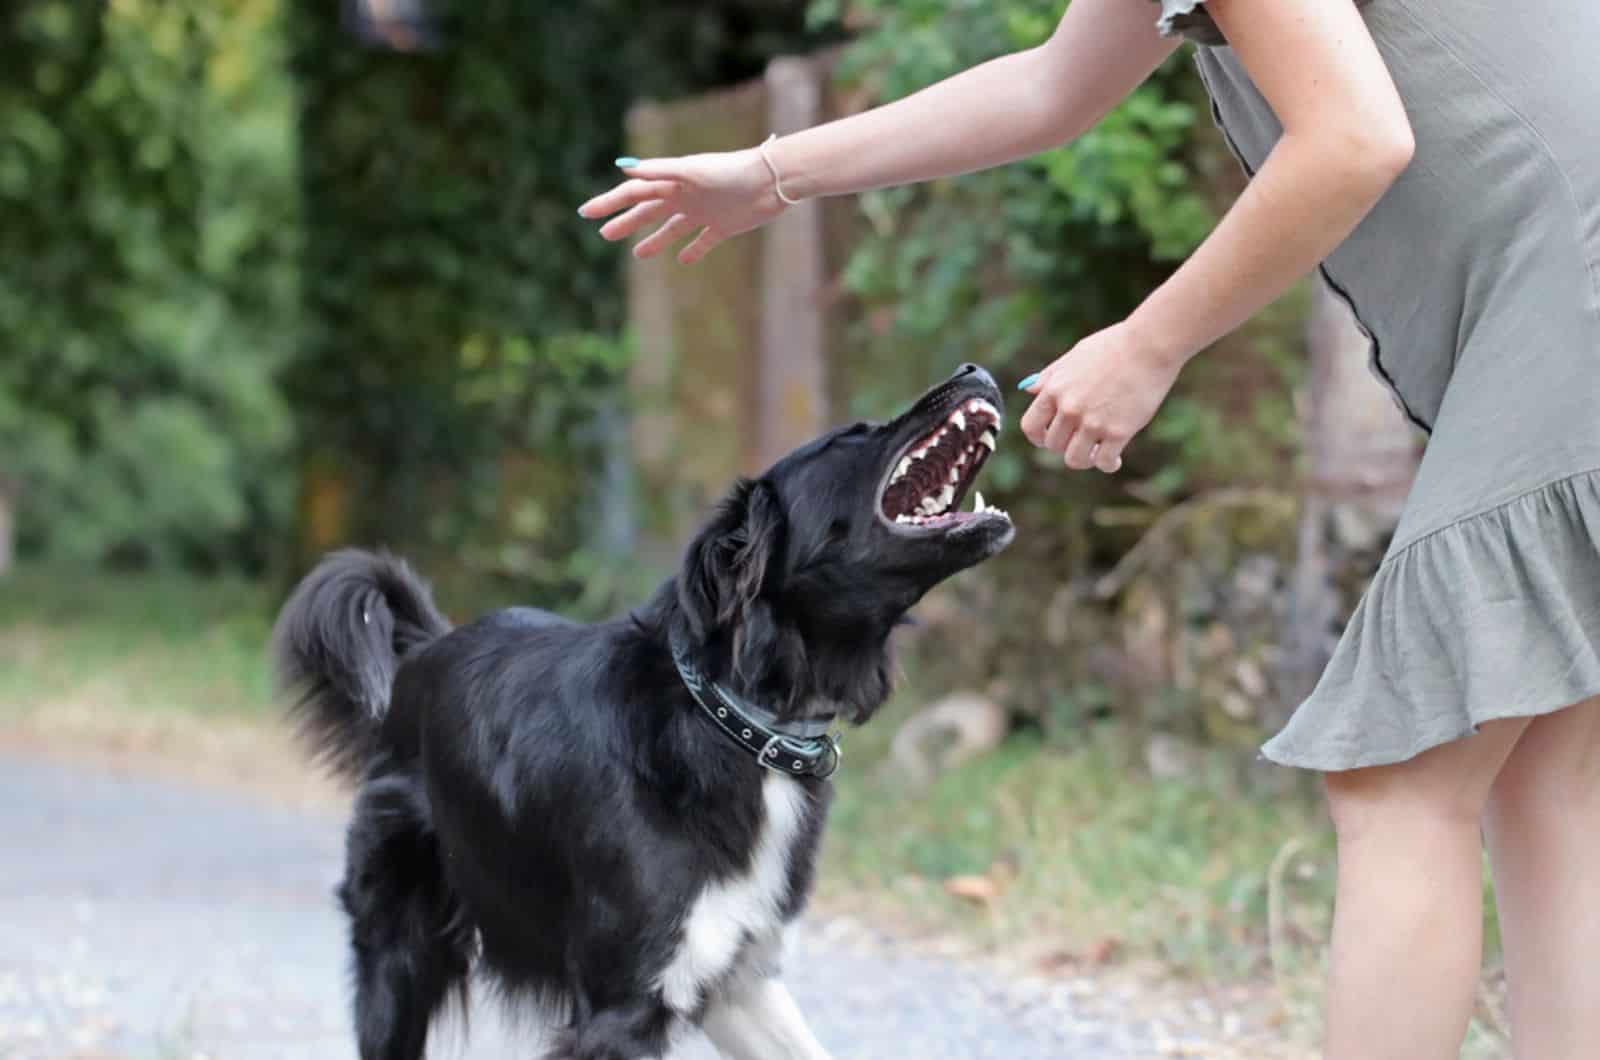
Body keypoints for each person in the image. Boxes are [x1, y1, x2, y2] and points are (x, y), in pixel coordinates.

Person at [578, 1, 1600, 1055]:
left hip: (1572, 296)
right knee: (1545, 781)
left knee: (1403, 779)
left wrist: (1151, 343)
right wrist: (770, 171)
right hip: (1559, 302)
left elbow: (1352, 139)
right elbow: (1054, 84)